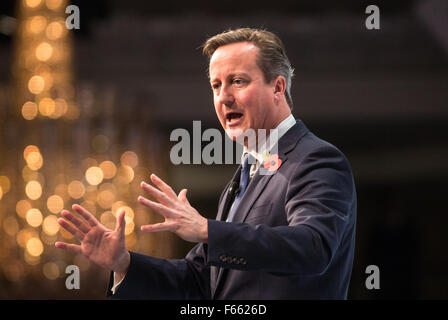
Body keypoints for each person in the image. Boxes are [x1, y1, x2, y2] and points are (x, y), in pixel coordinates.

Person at [55, 28, 357, 299]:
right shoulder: (244, 177)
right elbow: (201, 281)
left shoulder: (316, 158)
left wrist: (208, 230)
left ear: (278, 88)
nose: (224, 97)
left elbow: (314, 248)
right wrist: (123, 263)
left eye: (238, 81)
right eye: (216, 85)